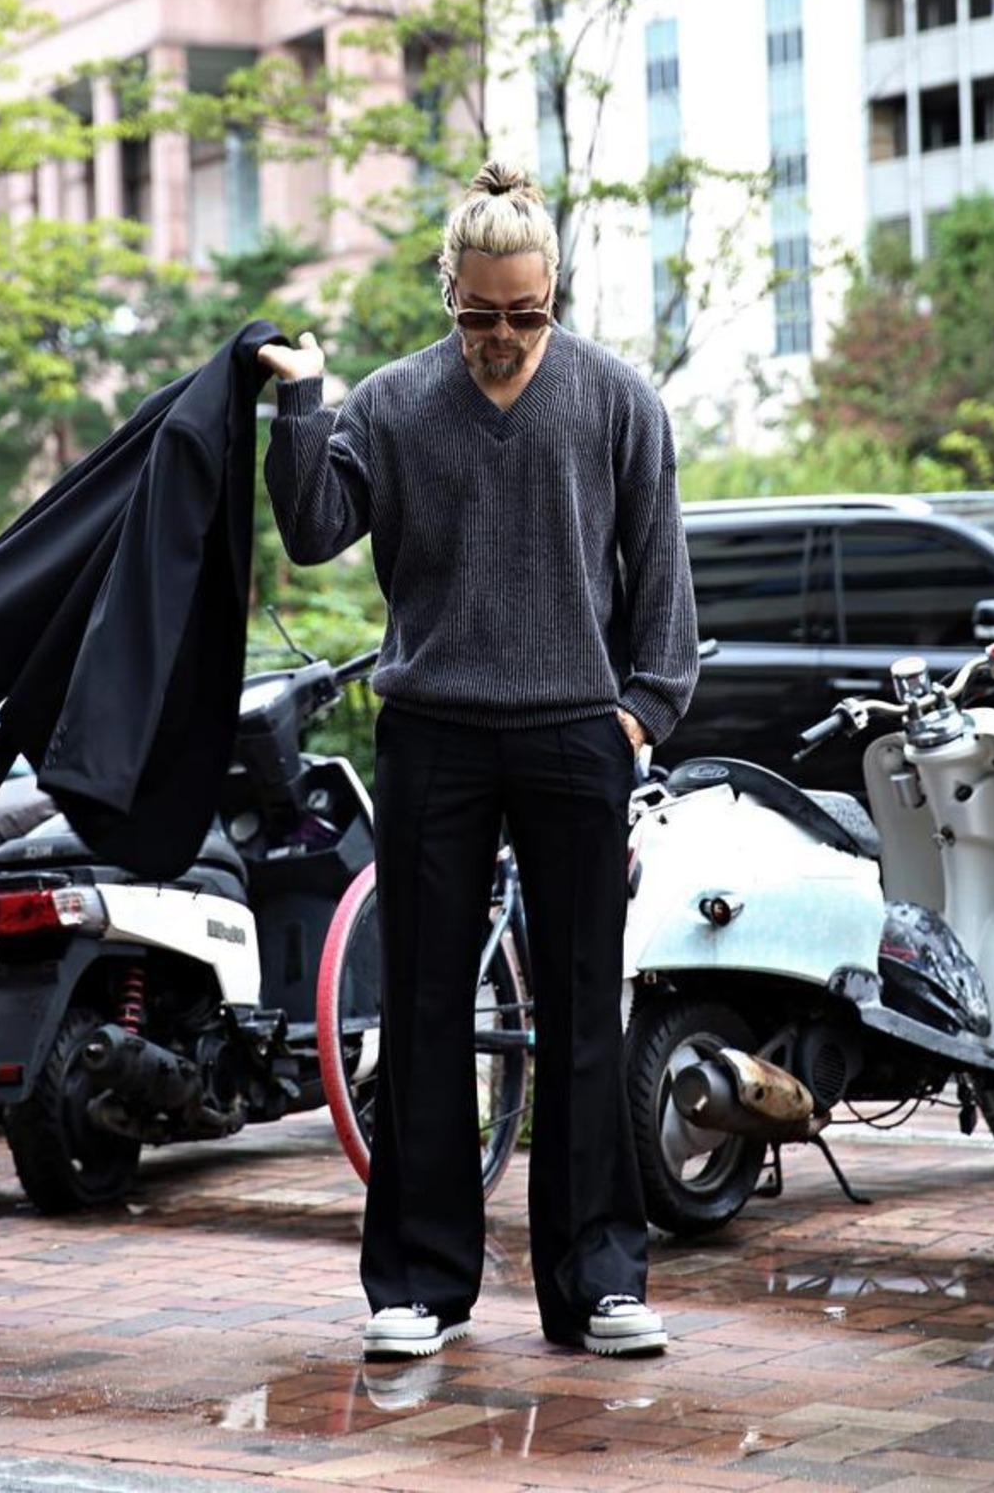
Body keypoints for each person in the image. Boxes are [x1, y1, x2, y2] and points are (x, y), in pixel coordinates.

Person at [258, 160, 698, 1364]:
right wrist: (302, 402)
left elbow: (660, 572)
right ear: (445, 286)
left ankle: (596, 1282)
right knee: (422, 1010)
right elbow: (312, 531)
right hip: (433, 735)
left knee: (583, 1013)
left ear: (556, 290)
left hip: (574, 735)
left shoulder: (616, 400)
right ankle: (416, 1284)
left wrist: (642, 713)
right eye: (479, 313)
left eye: (526, 313)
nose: (502, 336)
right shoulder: (392, 404)